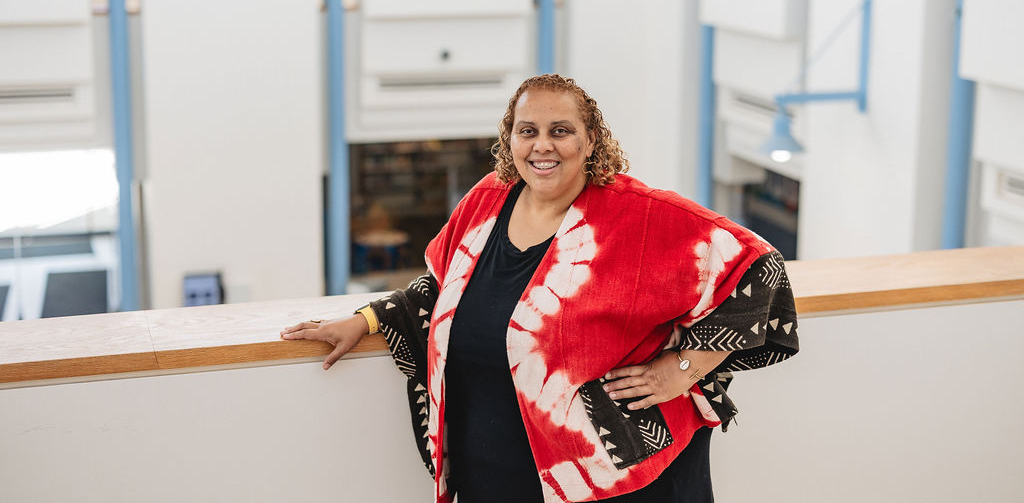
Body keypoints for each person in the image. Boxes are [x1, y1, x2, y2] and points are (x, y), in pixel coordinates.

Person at [282, 74, 799, 502]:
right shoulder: (487, 201)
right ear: (510, 138)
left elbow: (760, 271)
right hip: (489, 475)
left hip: (603, 478)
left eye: (561, 130)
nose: (543, 145)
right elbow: (443, 286)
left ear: (590, 139)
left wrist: (683, 368)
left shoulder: (639, 217)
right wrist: (366, 320)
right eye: (527, 130)